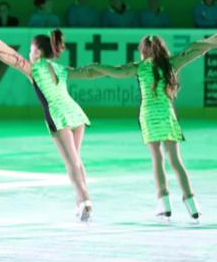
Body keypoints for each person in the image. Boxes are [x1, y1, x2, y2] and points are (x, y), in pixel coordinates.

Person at [89, 33, 217, 223]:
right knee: (175, 160)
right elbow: (194, 52)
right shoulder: (170, 63)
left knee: (157, 158)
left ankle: (163, 201)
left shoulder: (139, 67)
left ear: (143, 51)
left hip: (148, 115)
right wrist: (211, 41)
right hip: (166, 114)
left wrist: (94, 66)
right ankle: (191, 202)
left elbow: (115, 71)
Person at [0, 30, 101, 222]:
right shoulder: (59, 68)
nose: (29, 54)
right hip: (75, 113)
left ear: (38, 52)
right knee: (77, 160)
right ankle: (80, 201)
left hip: (58, 115)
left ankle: (85, 199)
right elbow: (87, 73)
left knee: (71, 162)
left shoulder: (34, 68)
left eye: (31, 50)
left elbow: (9, 59)